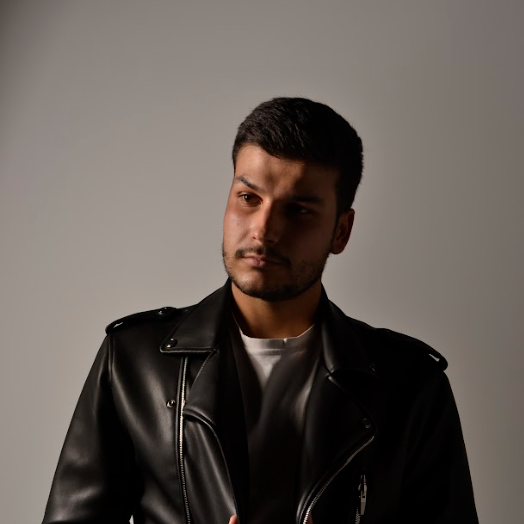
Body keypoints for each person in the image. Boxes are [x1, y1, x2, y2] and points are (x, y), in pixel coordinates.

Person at [42, 97, 478, 524]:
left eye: (299, 210)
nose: (264, 231)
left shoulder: (410, 385)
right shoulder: (135, 361)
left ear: (340, 232)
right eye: (249, 198)